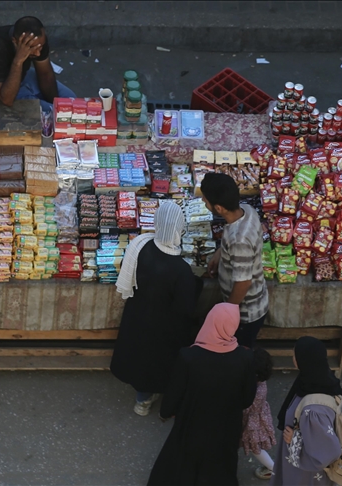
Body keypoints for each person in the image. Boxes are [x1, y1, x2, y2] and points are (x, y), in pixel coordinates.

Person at [148, 303, 257, 486]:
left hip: (192, 421)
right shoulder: (245, 358)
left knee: (184, 463)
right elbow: (247, 397)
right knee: (220, 466)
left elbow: (175, 391)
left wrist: (166, 412)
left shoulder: (189, 356)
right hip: (227, 424)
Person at [111, 202, 199, 416]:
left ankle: (142, 401)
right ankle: (167, 401)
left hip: (138, 315)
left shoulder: (141, 246)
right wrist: (198, 283)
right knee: (161, 364)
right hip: (165, 326)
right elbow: (185, 307)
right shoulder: (181, 269)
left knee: (141, 360)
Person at [201, 173, 269, 348]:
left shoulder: (239, 241)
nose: (204, 204)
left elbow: (243, 283)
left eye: (206, 201)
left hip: (245, 314)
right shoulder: (246, 210)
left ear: (219, 208)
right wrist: (220, 253)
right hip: (253, 301)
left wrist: (227, 313)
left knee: (240, 356)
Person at [272, 337, 342, 486]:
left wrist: (295, 440)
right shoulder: (315, 380)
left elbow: (328, 453)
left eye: (295, 355)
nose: (293, 358)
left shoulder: (314, 410)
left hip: (307, 474)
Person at [242, 346, 278, 480]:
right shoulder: (262, 383)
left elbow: (246, 406)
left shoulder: (255, 389)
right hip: (256, 418)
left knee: (255, 448)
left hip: (252, 423)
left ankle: (274, 469)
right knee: (254, 448)